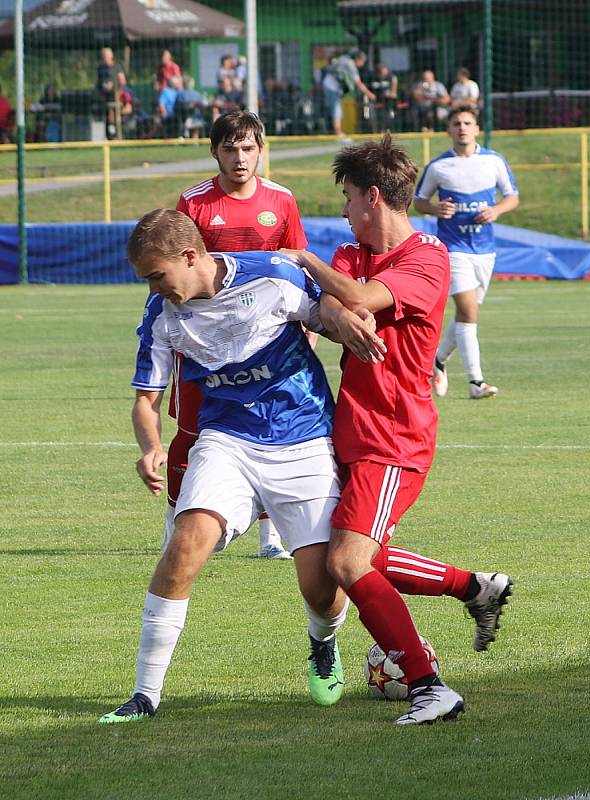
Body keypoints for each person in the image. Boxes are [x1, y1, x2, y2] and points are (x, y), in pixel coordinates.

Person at [97, 208, 384, 724]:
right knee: (184, 546)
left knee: (322, 588)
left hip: (302, 437)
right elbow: (146, 397)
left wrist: (347, 323)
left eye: (158, 275)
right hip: (225, 440)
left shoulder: (272, 275)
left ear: (190, 256)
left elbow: (327, 314)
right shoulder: (161, 314)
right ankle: (145, 694)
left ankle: (323, 643)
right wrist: (150, 446)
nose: (155, 288)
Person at [283, 135, 513, 725]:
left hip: (394, 436)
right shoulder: (352, 252)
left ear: (374, 197)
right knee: (363, 558)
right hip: (350, 432)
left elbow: (354, 299)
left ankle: (428, 685)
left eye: (349, 197)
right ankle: (474, 588)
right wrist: (338, 310)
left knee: (348, 564)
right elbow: (339, 311)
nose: (343, 210)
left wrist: (302, 259)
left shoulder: (427, 257)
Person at [173, 110, 312, 560]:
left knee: (271, 430)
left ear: (261, 150)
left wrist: (306, 330)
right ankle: (173, 529)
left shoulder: (281, 200)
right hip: (206, 341)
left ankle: (271, 539)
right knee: (191, 431)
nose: (239, 157)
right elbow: (179, 267)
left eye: (248, 148)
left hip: (267, 341)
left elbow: (296, 265)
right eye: (229, 148)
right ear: (214, 151)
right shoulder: (193, 203)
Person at [414, 104, 519, 399]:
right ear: (448, 130)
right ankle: (476, 382)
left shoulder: (494, 161)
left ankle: (437, 360)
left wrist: (496, 210)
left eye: (467, 122)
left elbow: (512, 197)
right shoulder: (438, 166)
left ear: (477, 129)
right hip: (453, 248)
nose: (462, 127)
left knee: (466, 314)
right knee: (468, 311)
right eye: (456, 123)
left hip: (485, 250)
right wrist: (435, 208)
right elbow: (419, 201)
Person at [321, 48, 376, 139]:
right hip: (332, 87)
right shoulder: (351, 66)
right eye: (363, 62)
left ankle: (331, 131)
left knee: (332, 109)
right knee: (336, 110)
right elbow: (358, 83)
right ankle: (338, 133)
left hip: (327, 84)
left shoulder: (343, 59)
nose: (362, 65)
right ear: (358, 59)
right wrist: (370, 94)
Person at [96, 47, 125, 139]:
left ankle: (113, 131)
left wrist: (113, 85)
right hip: (102, 94)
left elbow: (122, 81)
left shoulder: (117, 66)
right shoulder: (100, 68)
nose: (105, 57)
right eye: (103, 55)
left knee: (111, 110)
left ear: (111, 56)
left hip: (115, 94)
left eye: (107, 55)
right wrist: (102, 85)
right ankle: (107, 131)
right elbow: (97, 82)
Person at [367, 63, 398, 133]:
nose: (385, 74)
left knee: (387, 115)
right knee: (372, 115)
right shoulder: (371, 77)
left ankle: (383, 130)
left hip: (386, 101)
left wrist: (393, 92)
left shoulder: (390, 77)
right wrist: (370, 95)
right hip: (374, 101)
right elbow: (366, 88)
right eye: (382, 73)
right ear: (378, 73)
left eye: (385, 72)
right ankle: (374, 132)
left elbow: (394, 81)